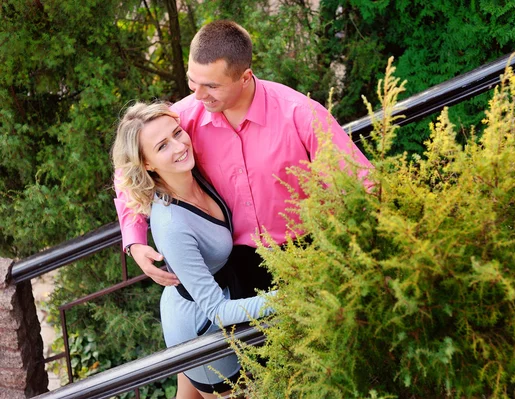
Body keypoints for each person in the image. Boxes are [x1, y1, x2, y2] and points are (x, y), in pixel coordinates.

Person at [114, 20, 372, 292]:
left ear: (245, 77)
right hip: (241, 267)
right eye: (193, 81)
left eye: (211, 86)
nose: (198, 95)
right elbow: (130, 165)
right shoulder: (184, 119)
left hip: (314, 250)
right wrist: (135, 241)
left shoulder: (300, 114)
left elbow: (360, 185)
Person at [112, 102, 274, 399]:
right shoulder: (172, 224)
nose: (179, 146)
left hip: (196, 301)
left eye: (177, 133)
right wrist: (287, 300)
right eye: (162, 146)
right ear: (147, 164)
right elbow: (218, 311)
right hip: (202, 328)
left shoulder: (189, 173)